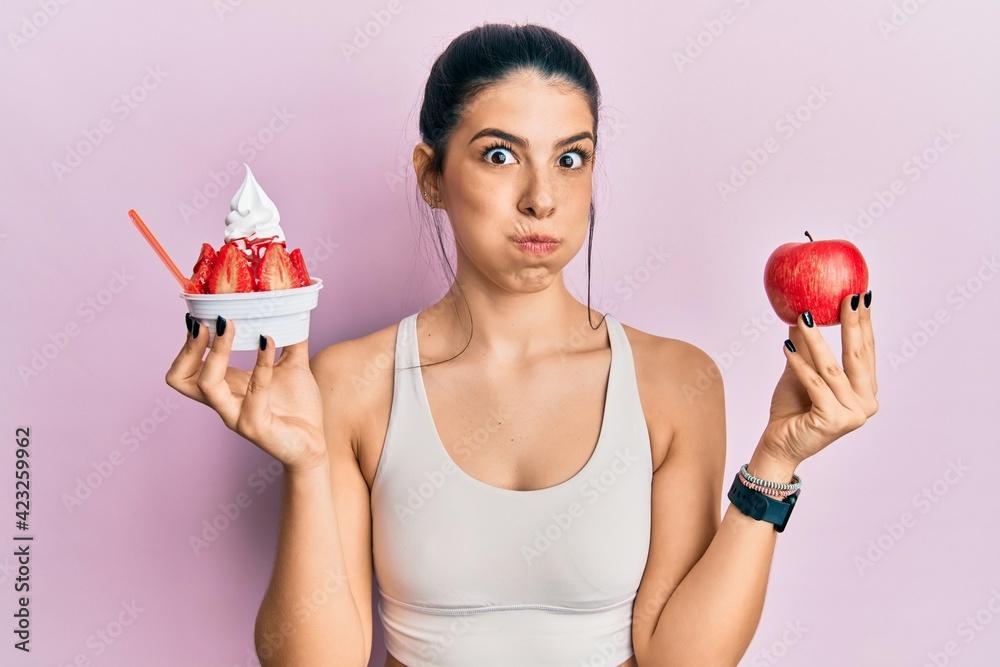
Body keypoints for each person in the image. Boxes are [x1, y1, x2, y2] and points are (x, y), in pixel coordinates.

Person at [165, 22, 878, 667]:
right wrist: (306, 463)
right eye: (500, 154)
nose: (543, 197)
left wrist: (776, 461)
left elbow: (682, 660)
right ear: (432, 175)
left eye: (572, 158)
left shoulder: (675, 381)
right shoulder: (353, 380)